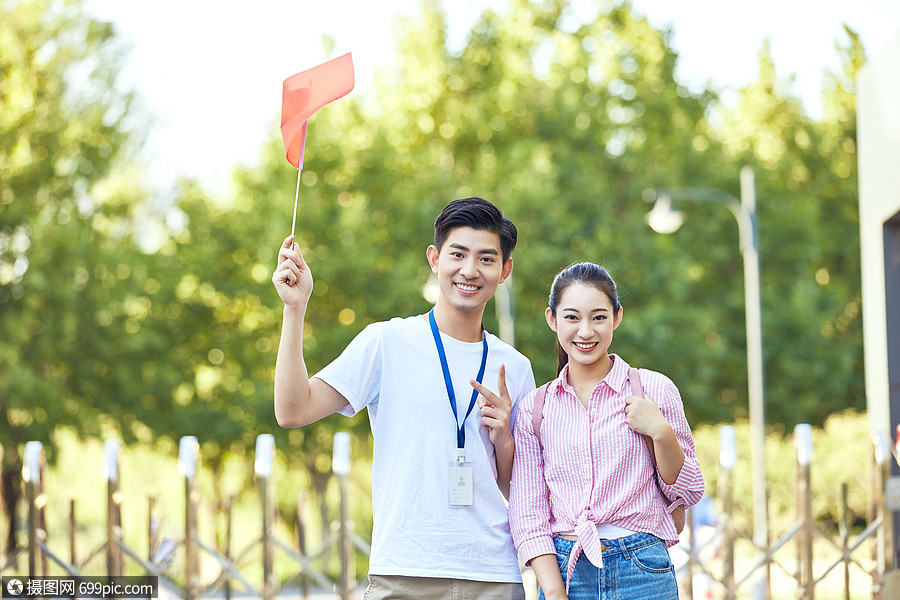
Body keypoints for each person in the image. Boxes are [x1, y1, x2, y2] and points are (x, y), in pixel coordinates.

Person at [272, 197, 535, 600]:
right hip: (404, 569)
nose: (470, 270)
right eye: (458, 254)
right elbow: (292, 410)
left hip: (493, 575)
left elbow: (523, 489)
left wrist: (504, 441)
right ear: (434, 258)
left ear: (505, 271)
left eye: (486, 259)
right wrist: (295, 309)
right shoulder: (386, 342)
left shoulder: (514, 367)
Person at [508, 262, 705, 600]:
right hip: (566, 571)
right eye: (572, 317)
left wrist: (661, 433)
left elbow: (687, 490)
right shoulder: (534, 409)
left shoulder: (653, 389)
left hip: (642, 568)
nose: (585, 331)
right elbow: (528, 512)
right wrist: (553, 591)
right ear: (552, 319)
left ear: (616, 317)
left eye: (598, 317)